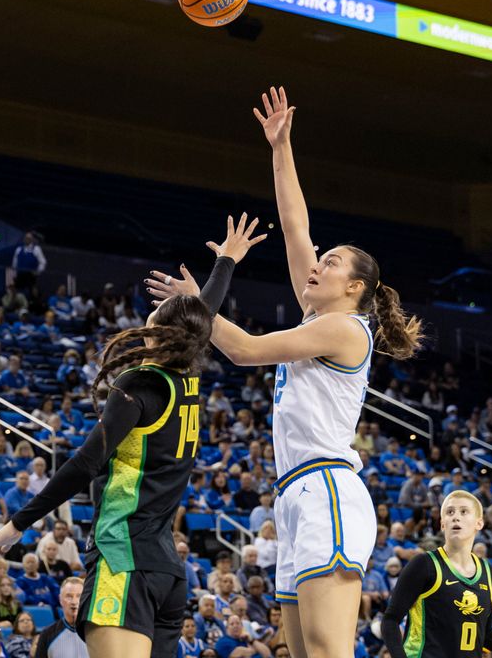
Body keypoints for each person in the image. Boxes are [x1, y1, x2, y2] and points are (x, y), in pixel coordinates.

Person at [147, 88, 424, 658]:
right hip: (293, 496)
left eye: (331, 264)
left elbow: (245, 349)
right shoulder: (318, 315)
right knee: (299, 653)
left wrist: (199, 306)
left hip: (327, 489)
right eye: (320, 261)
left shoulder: (345, 329)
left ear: (355, 288)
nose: (316, 265)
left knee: (328, 652)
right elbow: (296, 226)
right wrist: (281, 146)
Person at [0, 243, 247, 658]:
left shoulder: (140, 384)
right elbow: (199, 321)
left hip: (124, 560)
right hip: (168, 574)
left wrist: (19, 522)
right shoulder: (187, 378)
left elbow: (85, 462)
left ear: (157, 332)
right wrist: (225, 264)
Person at [381, 491, 492, 658]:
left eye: (464, 511)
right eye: (450, 512)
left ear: (479, 523)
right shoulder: (424, 564)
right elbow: (390, 620)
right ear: (442, 524)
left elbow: (485, 633)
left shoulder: (488, 572)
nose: (455, 517)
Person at [32, 577, 85, 658]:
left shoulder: (97, 632)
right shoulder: (47, 635)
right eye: (69, 596)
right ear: (60, 599)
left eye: (79, 596)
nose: (74, 602)